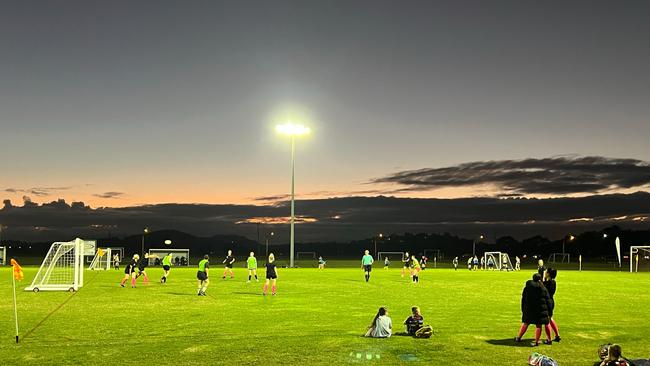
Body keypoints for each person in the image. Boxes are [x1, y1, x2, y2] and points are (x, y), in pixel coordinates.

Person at [515, 273, 553, 346]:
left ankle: (519, 337)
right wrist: (550, 311)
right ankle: (538, 341)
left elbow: (523, 299)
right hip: (541, 311)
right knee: (539, 326)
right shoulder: (543, 288)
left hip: (529, 309)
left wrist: (523, 309)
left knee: (526, 323)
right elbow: (548, 300)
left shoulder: (527, 287)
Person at [543, 268, 561, 342]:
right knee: (550, 319)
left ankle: (549, 339)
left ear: (549, 274)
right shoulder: (553, 282)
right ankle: (557, 335)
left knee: (547, 321)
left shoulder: (549, 282)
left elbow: (543, 289)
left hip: (548, 302)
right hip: (551, 301)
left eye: (546, 272)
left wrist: (544, 278)